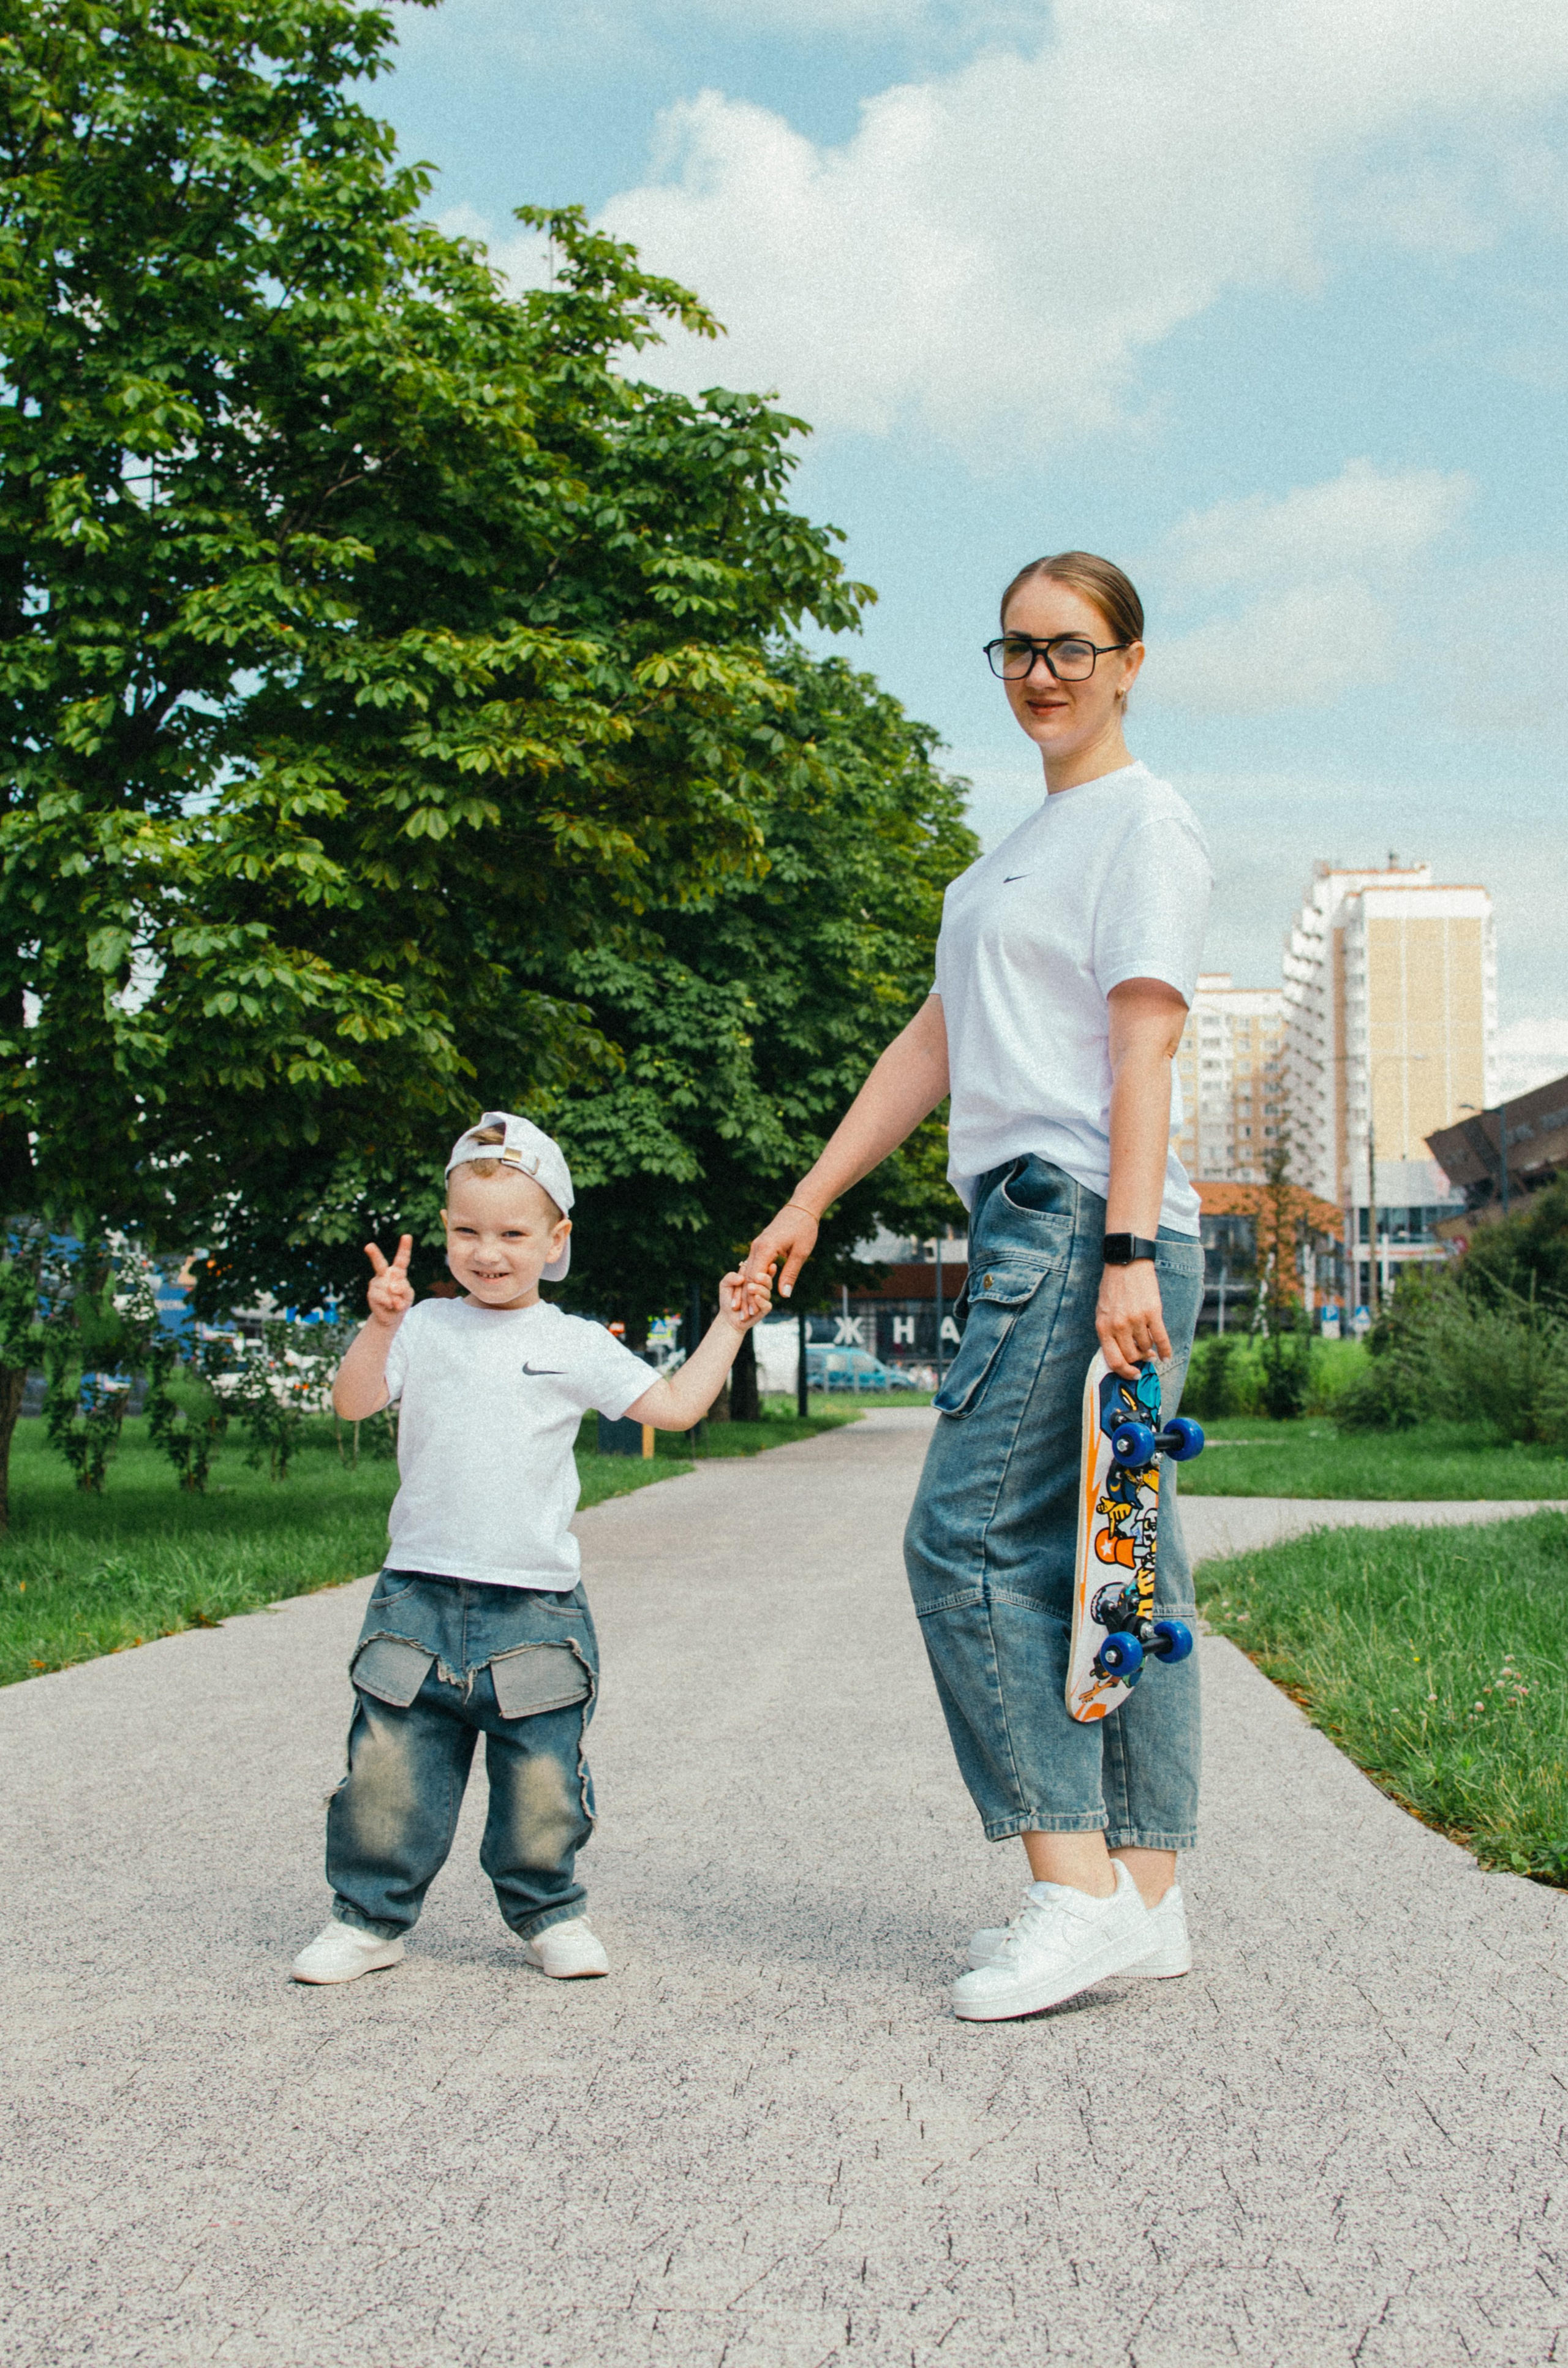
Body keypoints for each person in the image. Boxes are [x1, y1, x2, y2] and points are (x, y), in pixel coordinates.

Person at [745, 553, 1212, 2024]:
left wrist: (1124, 1250)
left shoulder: (1144, 824)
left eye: (1069, 647)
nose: (1039, 674)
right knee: (1114, 1555)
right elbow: (933, 1044)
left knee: (962, 1543)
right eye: (1013, 649)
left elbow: (1141, 1052)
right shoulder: (1005, 854)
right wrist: (808, 1199)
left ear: (1129, 659)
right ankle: (1140, 1893)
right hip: (1050, 1217)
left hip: (1081, 1219)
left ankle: (1068, 1892)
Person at [292, 1110, 771, 1986]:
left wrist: (731, 1327)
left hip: (534, 1606)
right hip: (417, 1595)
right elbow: (352, 1404)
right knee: (388, 1772)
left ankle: (549, 1909)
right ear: (444, 1232)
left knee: (541, 1780)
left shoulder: (572, 1341)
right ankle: (368, 1918)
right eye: (468, 1231)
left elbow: (674, 1407)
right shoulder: (425, 1327)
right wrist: (380, 1325)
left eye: (513, 1232)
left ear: (556, 1239)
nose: (488, 1251)